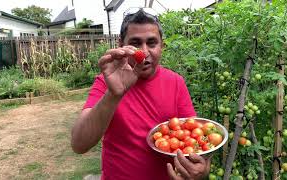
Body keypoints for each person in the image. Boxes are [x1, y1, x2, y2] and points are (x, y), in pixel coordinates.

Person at [71, 8, 211, 180]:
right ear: (121, 44)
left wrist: (201, 169)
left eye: (152, 43)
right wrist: (113, 95)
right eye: (136, 43)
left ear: (162, 45)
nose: (144, 52)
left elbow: (195, 137)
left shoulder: (176, 82)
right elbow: (79, 144)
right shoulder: (106, 83)